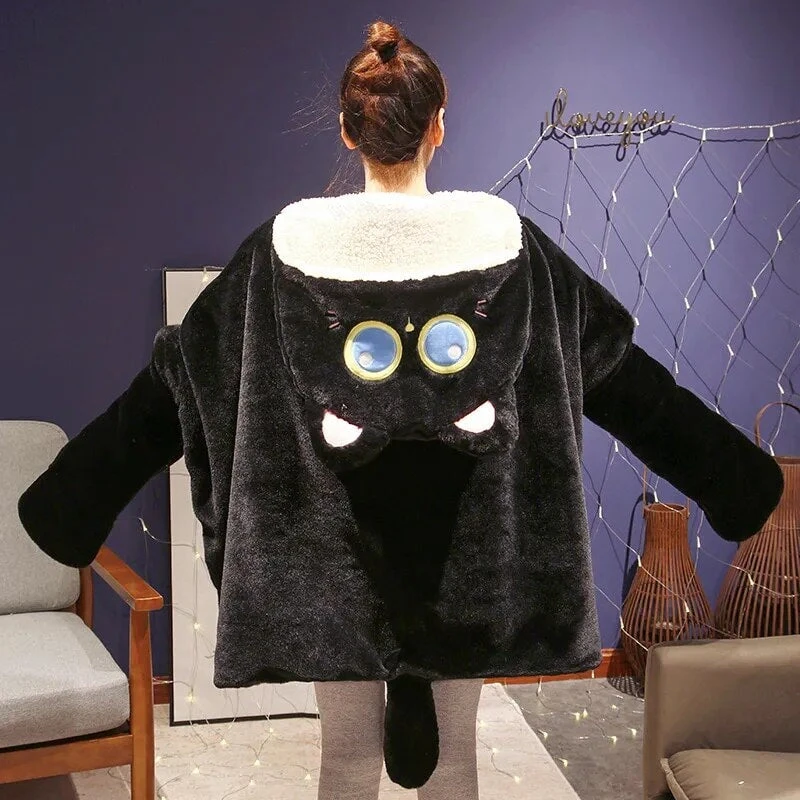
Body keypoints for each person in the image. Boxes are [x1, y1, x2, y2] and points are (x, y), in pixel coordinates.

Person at [17, 18, 784, 800]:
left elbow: (177, 380)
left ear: (347, 131)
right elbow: (627, 381)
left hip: (330, 577)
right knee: (456, 760)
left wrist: (69, 505)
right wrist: (738, 482)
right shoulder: (513, 254)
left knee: (347, 757)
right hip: (470, 573)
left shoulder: (277, 258)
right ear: (438, 125)